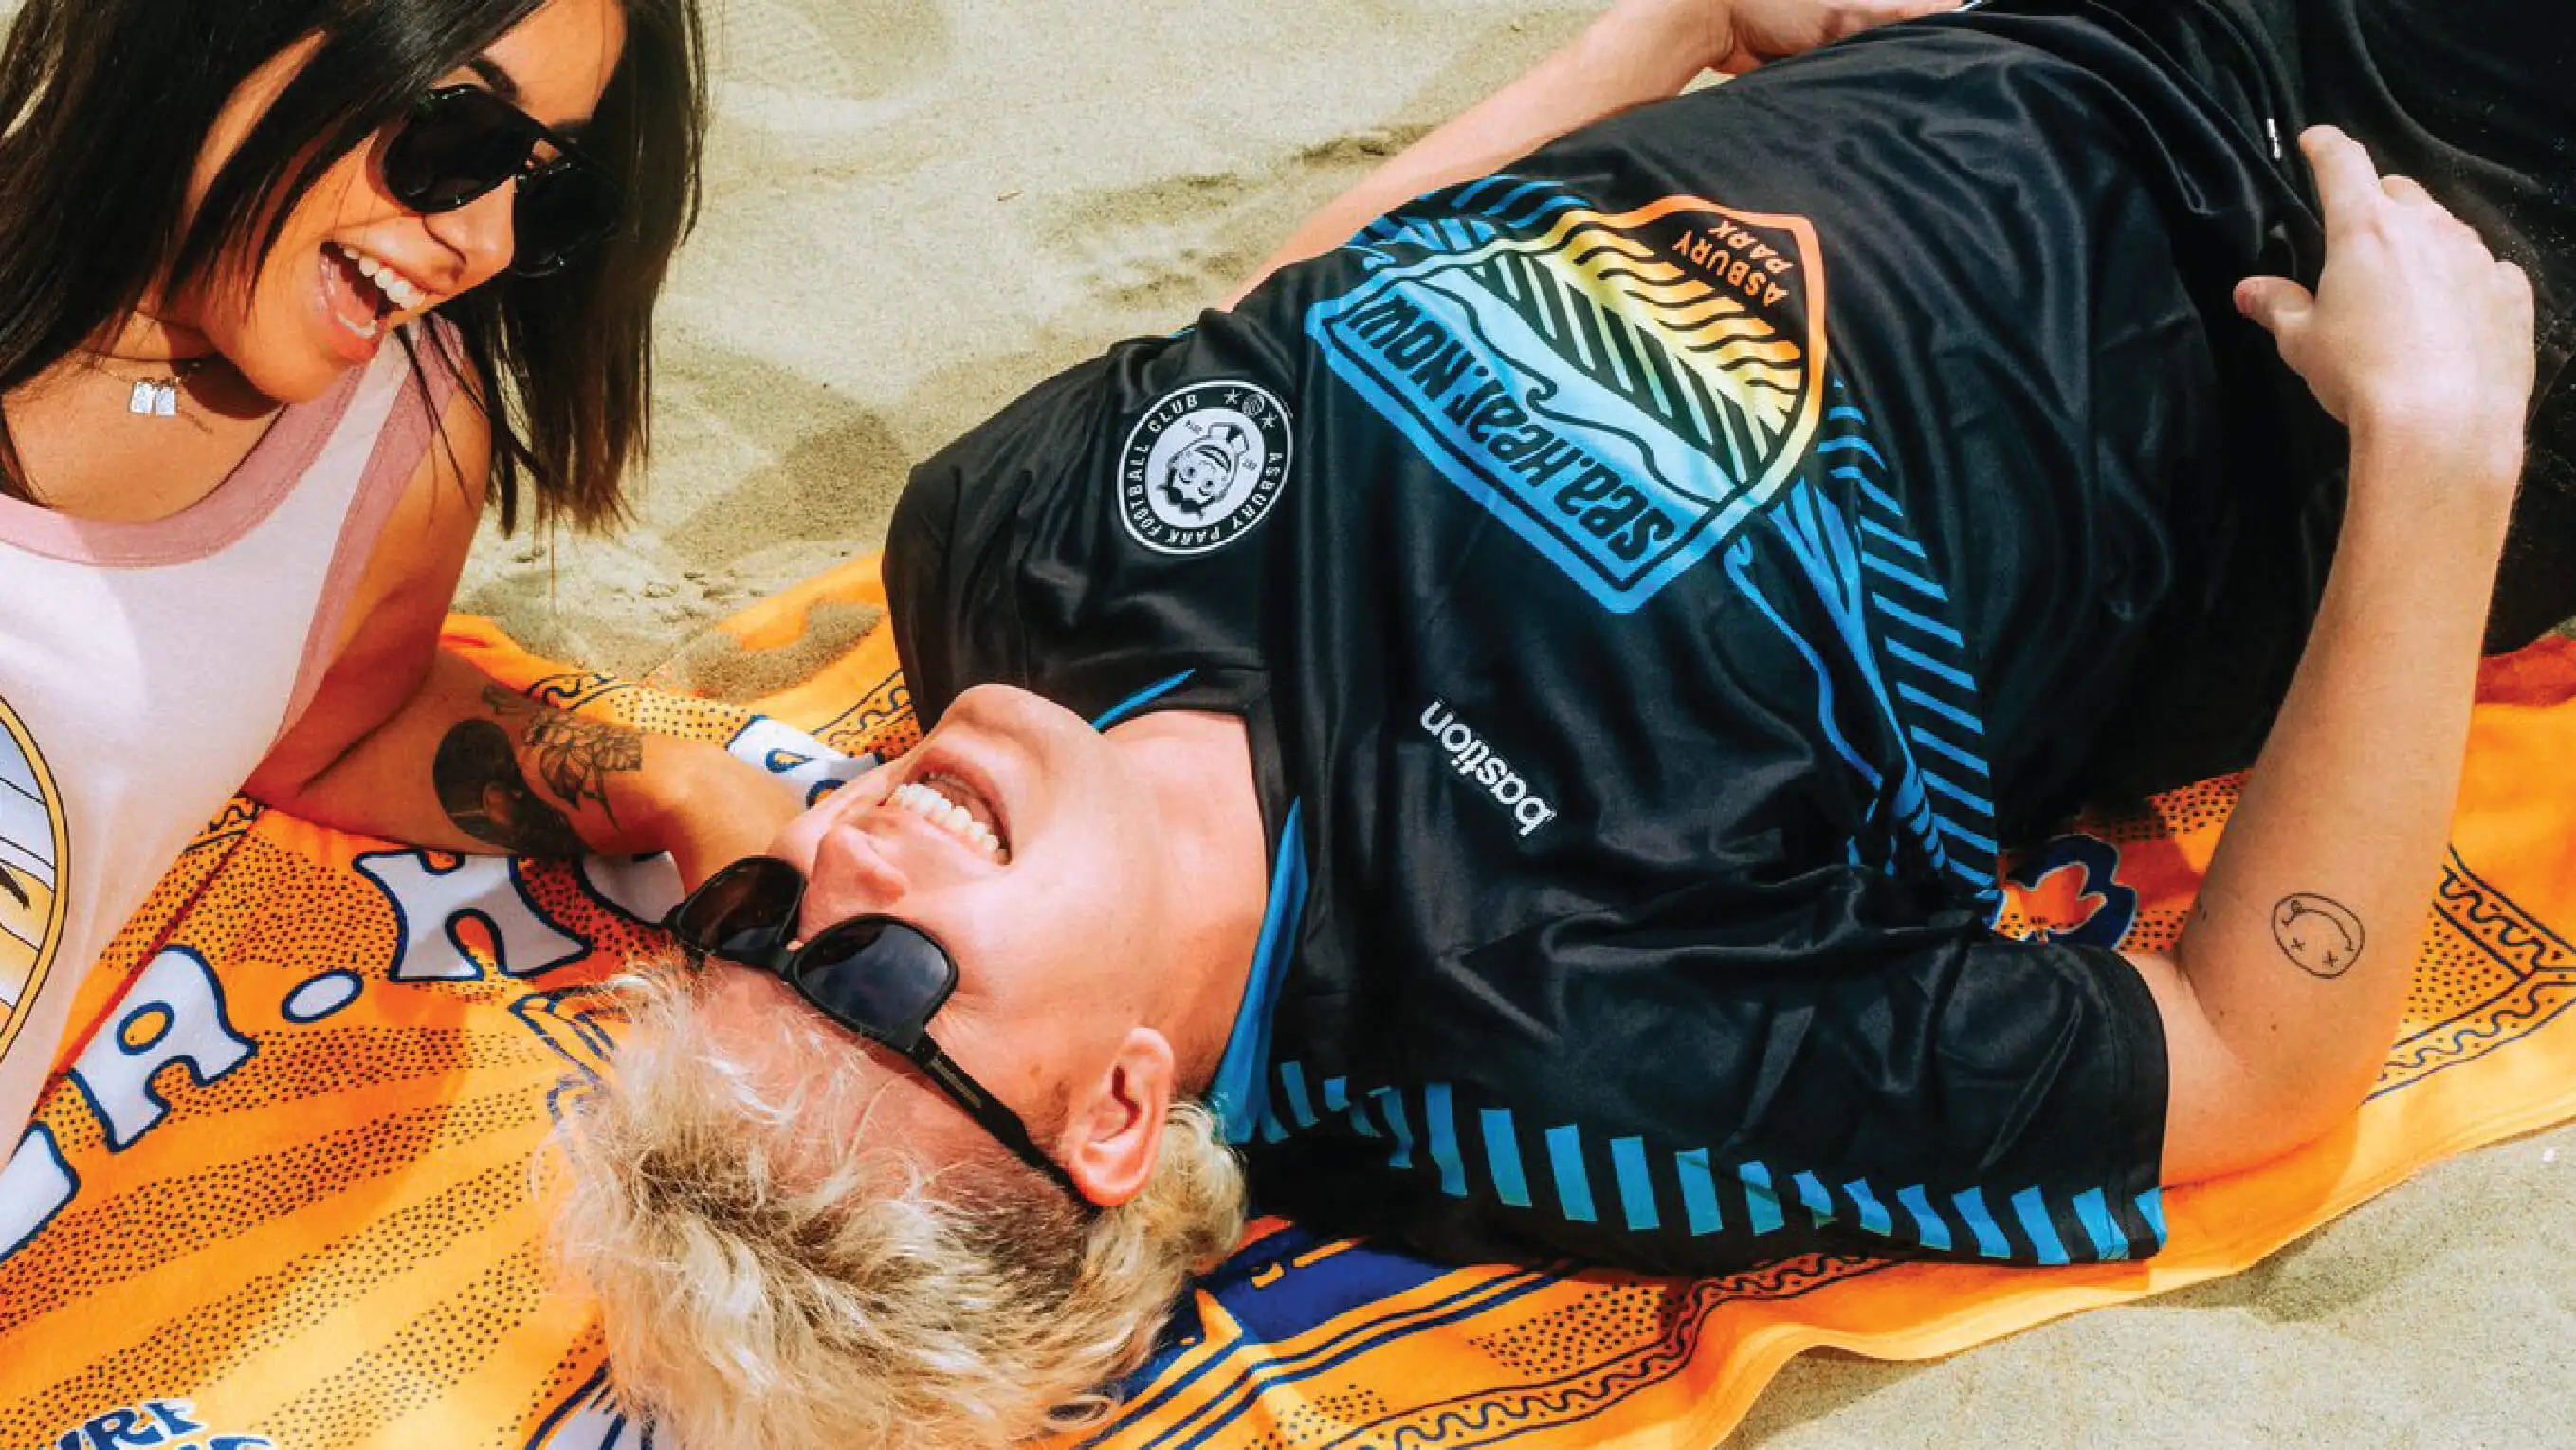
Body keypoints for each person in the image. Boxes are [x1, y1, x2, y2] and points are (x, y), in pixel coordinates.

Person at [553, 0, 2564, 1444]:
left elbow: (1290, 314)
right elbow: (2247, 1057)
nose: (848, 843)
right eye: (879, 976)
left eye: (761, 923)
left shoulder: (998, 548)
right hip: (2384, 241)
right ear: (1110, 1115)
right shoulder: (1556, 1043)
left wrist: (1672, 31)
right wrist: (2435, 454)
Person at [0, 0, 801, 1149]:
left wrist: (678, 786)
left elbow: (338, 728)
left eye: (542, 183)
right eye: (457, 132)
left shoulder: (387, 443)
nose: (489, 243)